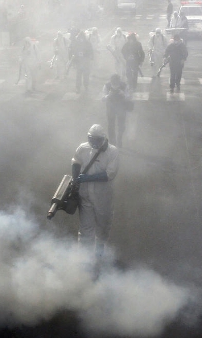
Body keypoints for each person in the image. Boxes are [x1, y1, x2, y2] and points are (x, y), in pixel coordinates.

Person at [71, 124, 119, 260]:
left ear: (103, 139)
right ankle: (85, 257)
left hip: (102, 197)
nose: (94, 142)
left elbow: (110, 174)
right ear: (88, 137)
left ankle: (99, 253)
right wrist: (75, 179)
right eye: (92, 139)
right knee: (86, 228)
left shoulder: (112, 152)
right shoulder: (83, 148)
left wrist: (88, 178)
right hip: (85, 195)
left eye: (98, 140)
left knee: (103, 225)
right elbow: (75, 161)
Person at [102, 74, 131, 147]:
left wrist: (123, 94)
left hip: (121, 108)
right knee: (111, 126)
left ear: (119, 82)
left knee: (121, 125)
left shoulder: (124, 86)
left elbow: (128, 97)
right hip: (110, 108)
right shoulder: (106, 86)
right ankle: (112, 142)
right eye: (113, 83)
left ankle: (119, 138)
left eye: (116, 83)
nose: (115, 85)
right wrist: (108, 95)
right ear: (111, 82)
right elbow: (102, 98)